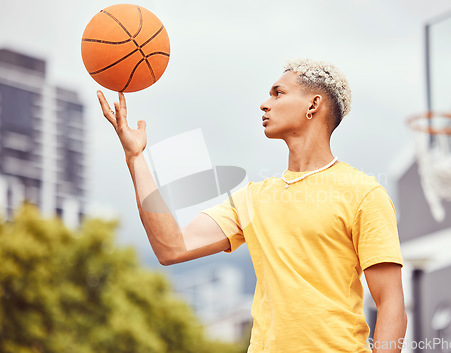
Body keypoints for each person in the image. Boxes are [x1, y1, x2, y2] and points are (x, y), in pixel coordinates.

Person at [97, 58, 407, 353]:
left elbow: (391, 305)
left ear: (313, 105)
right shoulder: (253, 198)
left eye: (278, 93)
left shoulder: (364, 193)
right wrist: (135, 158)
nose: (265, 103)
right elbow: (171, 247)